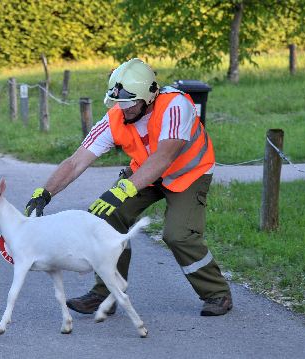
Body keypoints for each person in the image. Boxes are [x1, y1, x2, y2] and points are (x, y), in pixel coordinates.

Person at [24, 58, 232, 317]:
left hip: (188, 173)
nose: (123, 108)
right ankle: (106, 293)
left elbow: (164, 157)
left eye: (129, 102)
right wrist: (44, 193)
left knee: (179, 235)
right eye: (118, 102)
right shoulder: (115, 118)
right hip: (144, 171)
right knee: (104, 219)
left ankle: (217, 294)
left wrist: (123, 189)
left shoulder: (176, 105)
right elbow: (77, 161)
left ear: (149, 95)